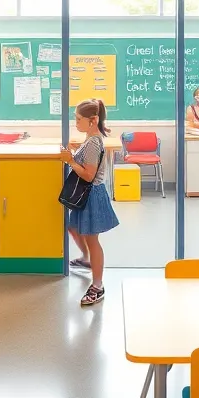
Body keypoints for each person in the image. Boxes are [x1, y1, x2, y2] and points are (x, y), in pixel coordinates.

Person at [62, 99, 119, 306]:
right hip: (88, 194)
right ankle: (86, 258)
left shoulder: (94, 143)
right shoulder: (90, 138)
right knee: (73, 227)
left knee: (92, 239)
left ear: (93, 120)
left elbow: (88, 175)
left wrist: (70, 160)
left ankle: (97, 285)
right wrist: (75, 152)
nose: (75, 122)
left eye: (78, 119)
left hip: (91, 194)